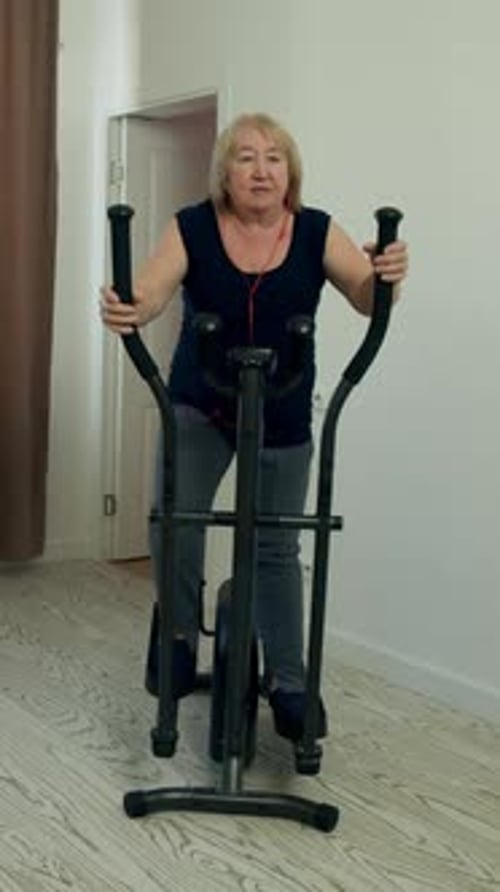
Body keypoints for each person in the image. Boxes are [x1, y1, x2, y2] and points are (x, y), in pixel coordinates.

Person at [101, 112, 408, 743]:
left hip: (283, 408)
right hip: (200, 403)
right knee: (174, 521)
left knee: (276, 547)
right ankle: (181, 637)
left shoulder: (318, 230)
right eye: (245, 157)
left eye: (274, 156)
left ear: (289, 172)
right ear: (226, 173)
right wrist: (130, 301)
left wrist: (386, 276)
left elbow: (364, 293)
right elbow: (153, 289)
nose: (261, 168)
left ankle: (292, 685)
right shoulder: (192, 227)